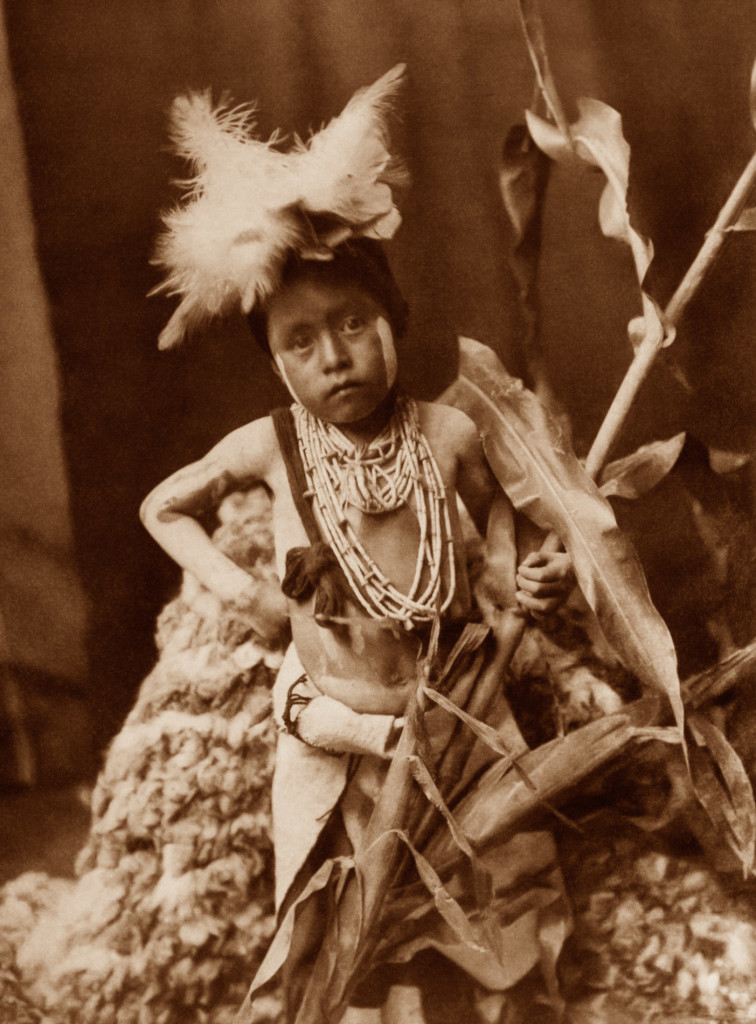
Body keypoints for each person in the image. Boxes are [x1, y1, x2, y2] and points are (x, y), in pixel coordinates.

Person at [141, 66, 574, 1023]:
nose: (333, 355)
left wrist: (517, 579)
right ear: (275, 359)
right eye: (301, 342)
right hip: (345, 749)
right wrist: (247, 593)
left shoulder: (451, 434)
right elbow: (163, 507)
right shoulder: (271, 446)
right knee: (358, 940)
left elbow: (514, 514)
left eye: (351, 324)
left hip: (461, 731)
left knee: (490, 914)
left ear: (392, 321)